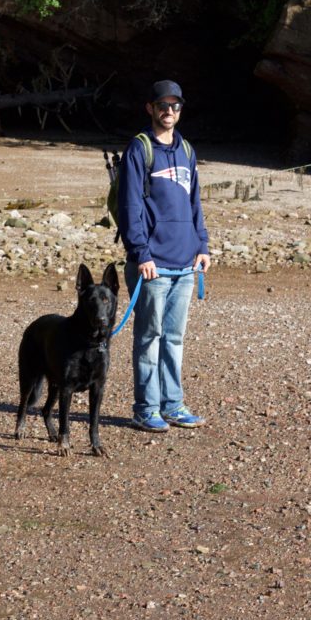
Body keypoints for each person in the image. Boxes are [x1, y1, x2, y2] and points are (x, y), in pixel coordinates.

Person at [117, 79, 211, 432]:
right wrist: (141, 253)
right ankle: (146, 408)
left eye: (175, 106)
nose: (169, 111)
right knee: (148, 338)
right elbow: (130, 207)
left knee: (174, 338)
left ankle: (173, 405)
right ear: (150, 108)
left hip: (186, 263)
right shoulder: (140, 150)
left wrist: (202, 246)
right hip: (152, 264)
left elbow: (194, 202)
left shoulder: (187, 150)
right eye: (163, 105)